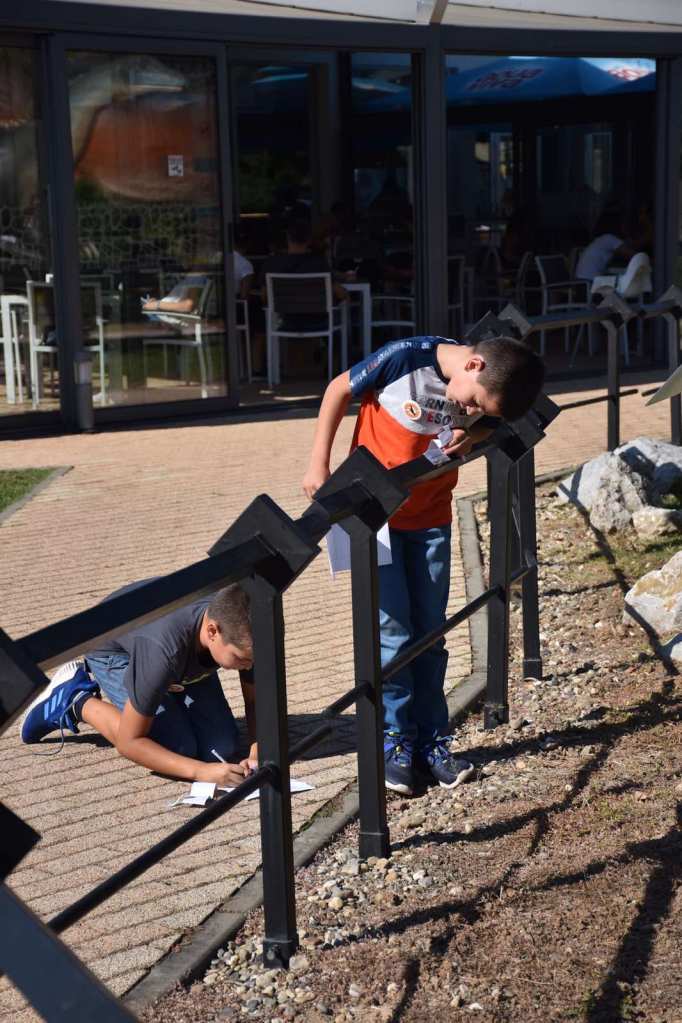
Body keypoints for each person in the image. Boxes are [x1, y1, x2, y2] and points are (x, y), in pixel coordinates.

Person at [302, 335, 545, 795]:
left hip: (432, 519)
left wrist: (473, 433)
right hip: (376, 521)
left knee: (431, 634)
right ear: (473, 364)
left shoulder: (480, 390)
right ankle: (395, 741)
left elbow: (488, 426)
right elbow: (337, 389)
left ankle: (434, 741)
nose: (469, 410)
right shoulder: (405, 359)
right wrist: (319, 464)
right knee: (393, 635)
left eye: (478, 410)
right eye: (474, 402)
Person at [21, 583, 257, 788]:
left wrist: (257, 752)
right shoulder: (162, 652)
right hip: (112, 648)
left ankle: (162, 690)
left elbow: (256, 702)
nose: (249, 666)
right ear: (212, 631)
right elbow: (130, 742)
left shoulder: (250, 628)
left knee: (222, 747)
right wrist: (200, 772)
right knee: (178, 748)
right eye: (241, 659)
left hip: (170, 655)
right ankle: (75, 699)